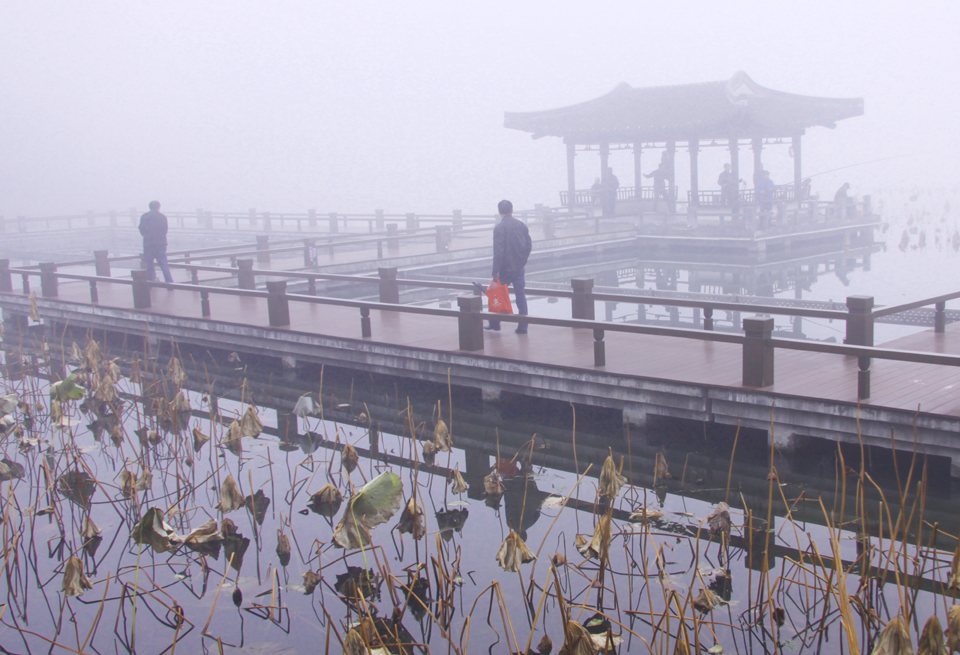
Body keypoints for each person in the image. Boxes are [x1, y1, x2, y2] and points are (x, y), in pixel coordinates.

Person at [486, 199, 532, 333]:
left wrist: (495, 271)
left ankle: (495, 323)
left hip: (504, 269)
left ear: (499, 211)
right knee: (520, 297)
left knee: (496, 294)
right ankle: (523, 326)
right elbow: (528, 246)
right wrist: (523, 261)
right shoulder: (521, 225)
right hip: (518, 268)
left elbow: (498, 251)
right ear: (512, 210)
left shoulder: (500, 228)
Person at [139, 200, 173, 283]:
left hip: (148, 244)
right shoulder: (162, 217)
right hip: (161, 243)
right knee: (164, 264)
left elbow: (141, 228)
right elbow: (165, 230)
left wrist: (147, 236)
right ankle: (170, 283)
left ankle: (150, 283)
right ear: (159, 207)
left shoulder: (144, 216)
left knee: (149, 265)